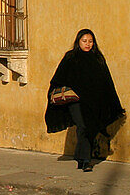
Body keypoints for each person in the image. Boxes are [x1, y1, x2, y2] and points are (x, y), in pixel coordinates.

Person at [45, 28, 124, 172]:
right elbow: (59, 77)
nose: (88, 44)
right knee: (83, 126)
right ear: (78, 42)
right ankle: (86, 160)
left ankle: (80, 156)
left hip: (93, 102)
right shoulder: (70, 57)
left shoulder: (98, 58)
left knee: (89, 128)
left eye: (90, 41)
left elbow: (106, 81)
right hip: (75, 101)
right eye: (84, 41)